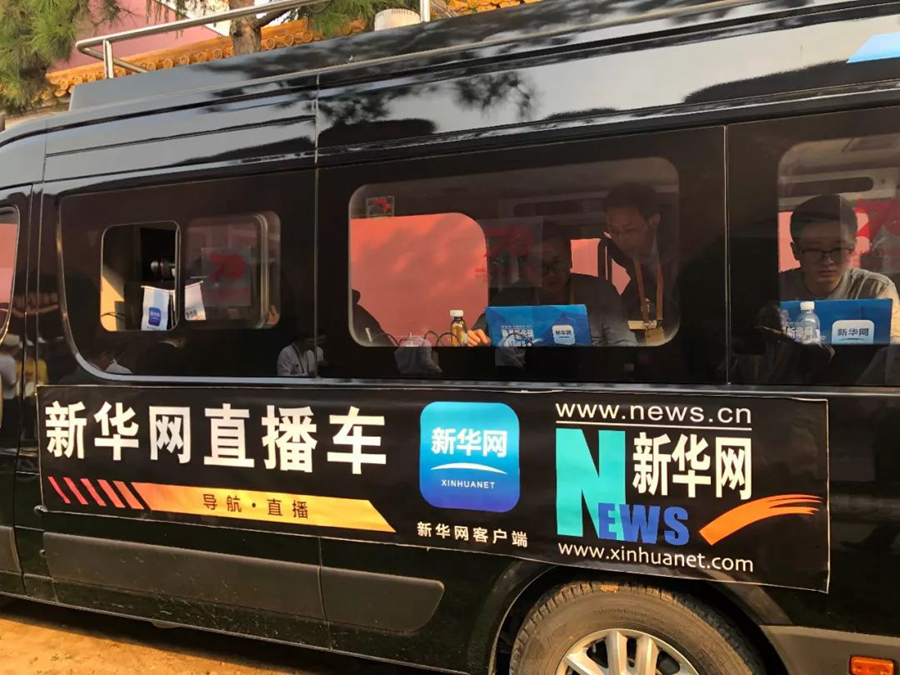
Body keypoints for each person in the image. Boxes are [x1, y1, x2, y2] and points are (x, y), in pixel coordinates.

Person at [466, 234, 635, 347]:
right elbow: (473, 337)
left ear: (570, 261)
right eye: (541, 265)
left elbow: (624, 346)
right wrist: (475, 340)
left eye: (557, 262)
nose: (551, 273)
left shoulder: (600, 293)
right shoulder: (509, 298)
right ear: (527, 268)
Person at [780, 194, 900, 341]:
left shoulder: (876, 290)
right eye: (814, 249)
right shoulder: (777, 289)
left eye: (839, 249)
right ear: (796, 251)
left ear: (853, 247)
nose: (827, 260)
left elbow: (893, 347)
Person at [604, 183, 678, 342]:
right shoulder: (620, 255)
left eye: (629, 230)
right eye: (613, 231)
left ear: (653, 222)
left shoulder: (680, 251)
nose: (621, 239)